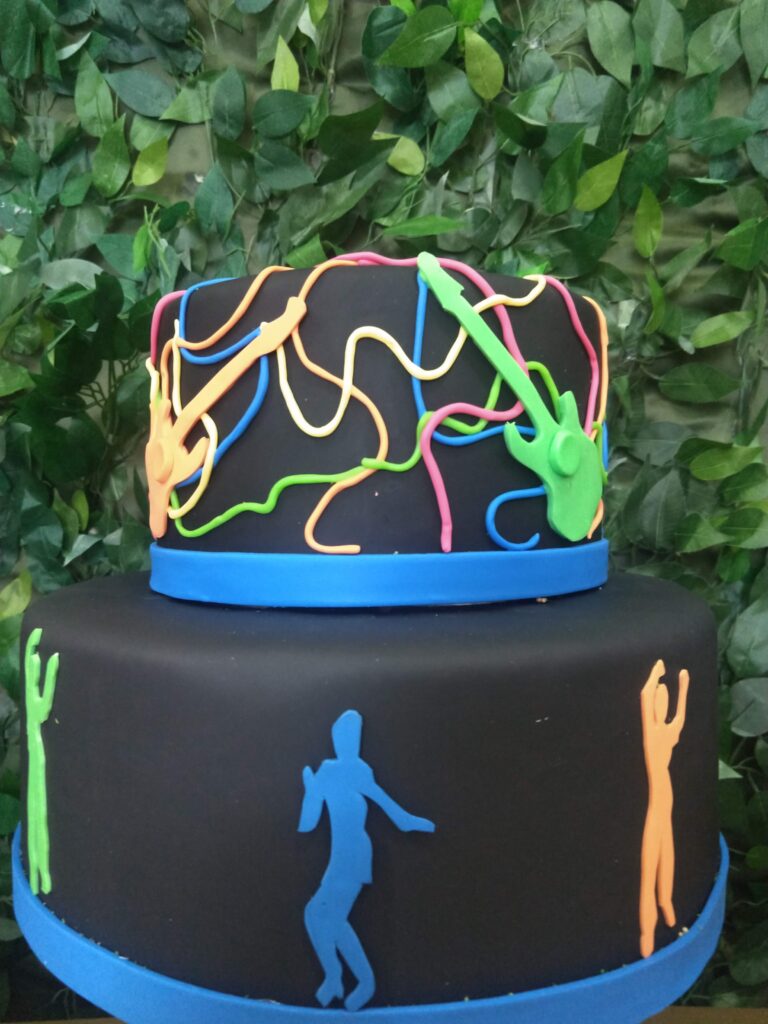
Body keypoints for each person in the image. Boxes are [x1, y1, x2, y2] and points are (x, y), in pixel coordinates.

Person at [299, 709, 435, 1010]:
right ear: (335, 739)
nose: (349, 743)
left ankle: (348, 980)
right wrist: (311, 791)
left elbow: (387, 804)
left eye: (354, 737)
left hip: (355, 855)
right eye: (344, 736)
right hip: (338, 856)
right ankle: (344, 978)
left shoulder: (359, 770)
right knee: (326, 917)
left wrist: (411, 821)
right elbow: (308, 823)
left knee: (319, 914)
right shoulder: (327, 771)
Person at [639, 659, 690, 959]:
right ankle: (647, 932)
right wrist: (658, 676)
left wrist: (682, 684)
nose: (660, 702)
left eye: (663, 699)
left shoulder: (669, 731)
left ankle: (668, 908)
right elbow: (646, 695)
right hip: (657, 806)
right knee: (650, 871)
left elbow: (680, 712)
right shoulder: (656, 731)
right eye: (660, 698)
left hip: (665, 802)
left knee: (667, 860)